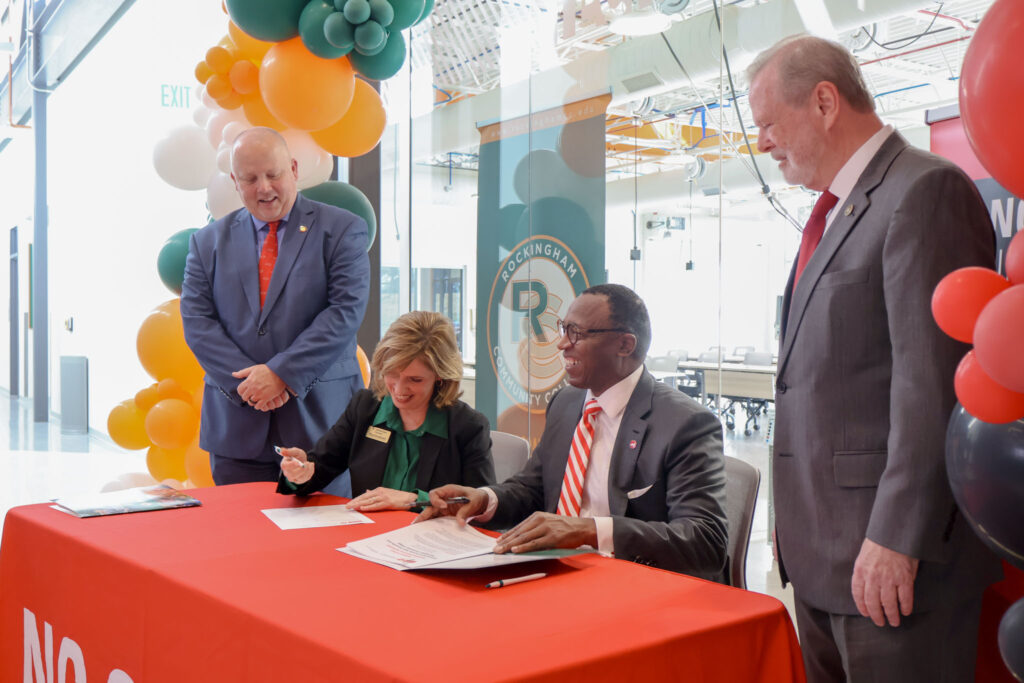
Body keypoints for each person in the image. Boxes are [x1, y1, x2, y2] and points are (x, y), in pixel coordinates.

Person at [746, 35, 1001, 682]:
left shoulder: (923, 191)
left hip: (893, 564)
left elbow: (932, 388)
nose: (762, 143)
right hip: (824, 560)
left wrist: (895, 536)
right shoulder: (837, 212)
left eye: (769, 123)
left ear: (824, 102)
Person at [419, 284, 727, 581]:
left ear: (625, 345)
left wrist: (589, 530)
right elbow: (533, 489)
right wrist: (484, 499)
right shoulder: (567, 403)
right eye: (563, 328)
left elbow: (706, 540)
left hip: (633, 582)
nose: (562, 343)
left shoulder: (684, 423)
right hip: (555, 571)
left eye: (576, 333)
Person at [181, 127, 370, 485]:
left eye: (273, 174)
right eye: (250, 179)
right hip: (236, 430)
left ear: (294, 169)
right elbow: (197, 322)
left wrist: (281, 374)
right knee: (238, 523)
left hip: (322, 429)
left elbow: (344, 312)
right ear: (235, 182)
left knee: (324, 523)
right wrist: (251, 386)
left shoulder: (343, 230)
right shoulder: (206, 243)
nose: (264, 188)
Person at [276, 311, 496, 509]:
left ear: (440, 377)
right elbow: (320, 467)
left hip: (433, 539)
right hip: (369, 533)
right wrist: (300, 472)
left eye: (415, 380)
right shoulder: (365, 408)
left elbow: (479, 505)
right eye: (392, 373)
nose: (399, 389)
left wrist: (414, 499)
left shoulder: (468, 427)